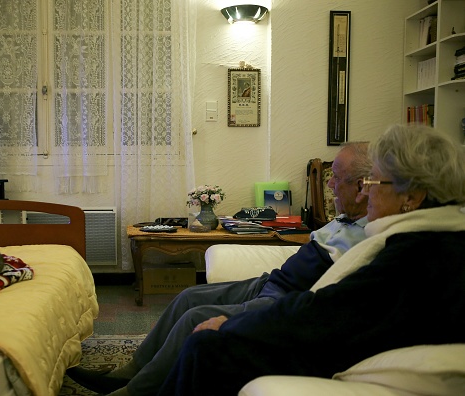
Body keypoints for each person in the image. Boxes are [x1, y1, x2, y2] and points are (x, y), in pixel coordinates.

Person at [158, 124, 465, 396]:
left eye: (374, 183)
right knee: (194, 308)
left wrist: (231, 324)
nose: (366, 194)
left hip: (343, 355)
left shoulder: (415, 254)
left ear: (412, 196)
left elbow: (323, 312)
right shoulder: (437, 240)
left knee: (205, 347)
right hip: (347, 341)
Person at [66, 142, 372, 396]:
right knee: (187, 297)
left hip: (285, 297)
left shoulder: (372, 236)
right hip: (271, 281)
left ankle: (133, 393)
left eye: (336, 178)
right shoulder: (347, 218)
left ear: (361, 187)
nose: (329, 185)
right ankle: (128, 372)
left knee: (195, 318)